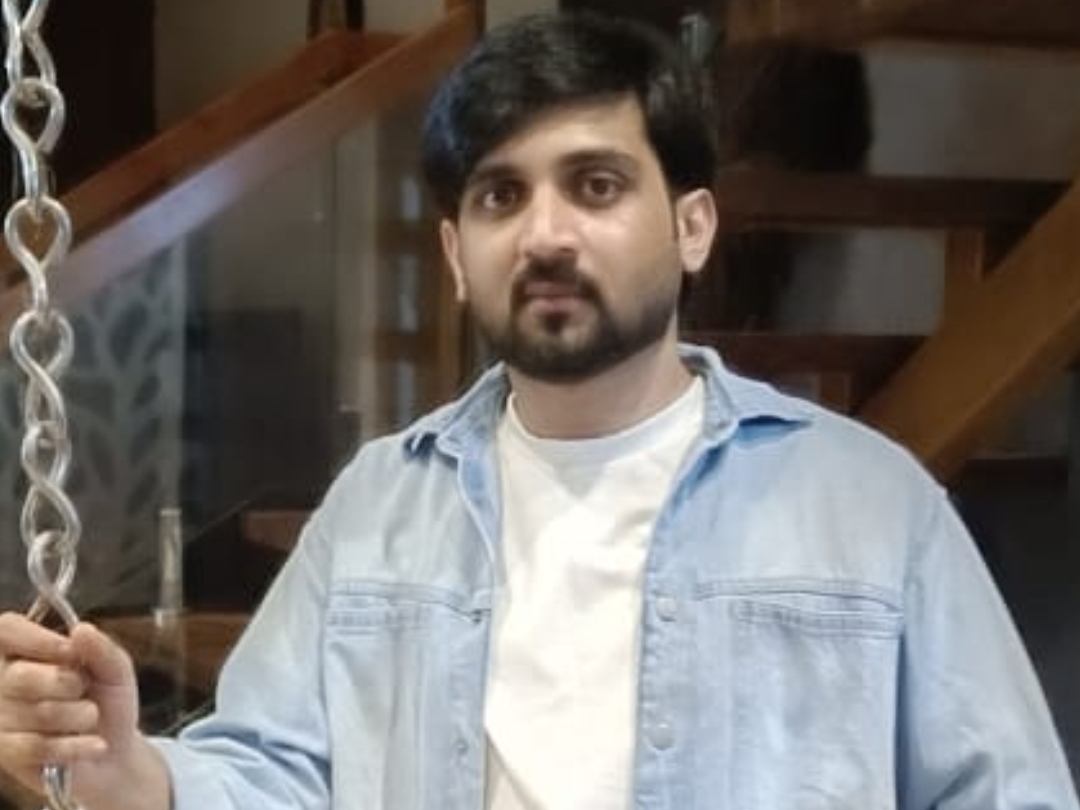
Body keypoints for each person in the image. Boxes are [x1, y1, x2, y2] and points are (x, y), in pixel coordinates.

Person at [0, 11, 1076, 810]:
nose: (545, 235)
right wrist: (131, 775)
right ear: (454, 253)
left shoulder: (871, 506)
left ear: (693, 227)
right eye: (501, 195)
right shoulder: (378, 506)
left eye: (596, 185)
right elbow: (272, 773)